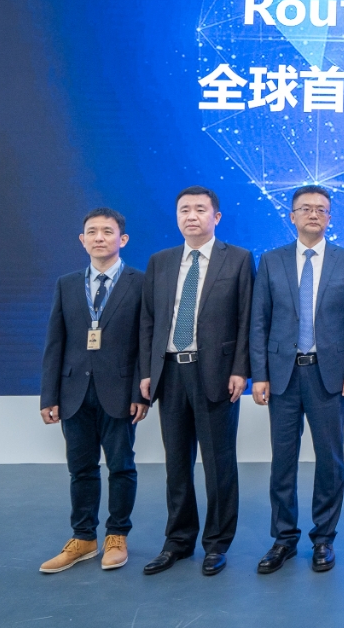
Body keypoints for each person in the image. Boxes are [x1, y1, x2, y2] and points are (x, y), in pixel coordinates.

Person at [249, 185, 344, 574]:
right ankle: (283, 538)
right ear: (292, 216)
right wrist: (259, 375)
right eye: (305, 208)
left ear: (329, 217)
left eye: (321, 209)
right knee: (283, 460)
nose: (313, 214)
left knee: (330, 460)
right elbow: (259, 321)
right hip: (282, 375)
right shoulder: (271, 261)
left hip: (327, 375)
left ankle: (324, 538)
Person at [139, 186, 253, 577]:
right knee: (176, 464)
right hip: (170, 372)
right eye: (184, 210)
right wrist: (147, 371)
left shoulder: (238, 259)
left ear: (215, 217)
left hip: (215, 374)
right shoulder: (160, 261)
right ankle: (178, 541)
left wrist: (240, 369)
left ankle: (217, 543)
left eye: (200, 209)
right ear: (177, 217)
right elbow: (149, 321)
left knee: (219, 464)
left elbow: (245, 319)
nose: (191, 216)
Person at [38, 208, 148, 573]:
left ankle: (117, 535)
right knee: (81, 469)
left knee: (121, 467)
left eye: (107, 231)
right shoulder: (67, 284)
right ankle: (83, 537)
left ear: (122, 239)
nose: (99, 237)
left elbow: (144, 343)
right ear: (82, 240)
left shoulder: (140, 282)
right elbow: (55, 342)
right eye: (92, 232)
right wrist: (49, 395)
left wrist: (140, 393)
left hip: (120, 392)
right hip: (73, 393)